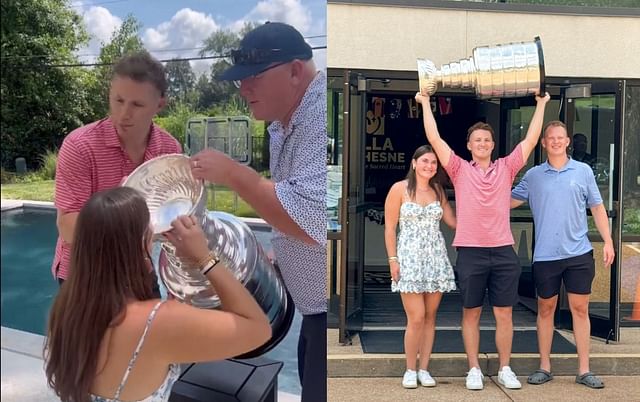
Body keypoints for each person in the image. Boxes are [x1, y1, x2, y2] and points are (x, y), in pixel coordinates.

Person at [189, 22, 326, 401]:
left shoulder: (323, 116)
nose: (244, 88)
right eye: (240, 80)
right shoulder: (283, 124)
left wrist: (234, 174)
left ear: (295, 71)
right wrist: (278, 257)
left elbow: (313, 219)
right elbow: (292, 202)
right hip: (312, 312)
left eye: (253, 77)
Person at [44, 187, 271, 402]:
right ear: (141, 243)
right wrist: (204, 257)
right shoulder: (158, 322)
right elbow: (259, 329)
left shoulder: (66, 310)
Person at [414, 91, 550, 391]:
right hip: (471, 251)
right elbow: (435, 139)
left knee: (504, 313)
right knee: (471, 312)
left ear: (492, 145)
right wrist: (425, 104)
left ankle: (504, 368)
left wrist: (541, 105)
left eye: (487, 140)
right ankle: (473, 368)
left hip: (503, 251)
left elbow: (529, 140)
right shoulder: (459, 169)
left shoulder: (506, 167)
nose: (483, 144)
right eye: (477, 140)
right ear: (469, 146)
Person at [53, 51, 182, 286]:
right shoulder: (80, 145)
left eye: (137, 104)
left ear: (160, 104)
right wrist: (122, 219)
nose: (124, 114)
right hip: (85, 276)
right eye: (118, 100)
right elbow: (67, 227)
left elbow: (170, 215)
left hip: (137, 270)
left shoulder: (169, 149)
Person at [511, 120, 615, 389]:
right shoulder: (533, 176)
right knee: (545, 309)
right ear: (543, 143)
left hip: (578, 253)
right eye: (551, 138)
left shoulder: (583, 172)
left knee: (580, 310)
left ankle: (584, 370)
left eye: (561, 137)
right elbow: (506, 201)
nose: (556, 141)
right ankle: (544, 366)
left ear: (567, 141)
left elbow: (597, 207)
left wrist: (608, 241)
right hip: (545, 256)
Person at [384, 145, 457, 389]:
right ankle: (410, 368)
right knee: (415, 317)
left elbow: (452, 221)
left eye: (433, 163)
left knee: (430, 317)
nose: (429, 166)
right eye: (425, 161)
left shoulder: (438, 190)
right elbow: (389, 228)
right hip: (410, 260)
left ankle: (424, 368)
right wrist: (393, 259)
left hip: (435, 259)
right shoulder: (399, 189)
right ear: (414, 163)